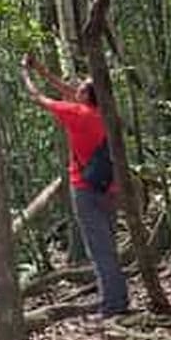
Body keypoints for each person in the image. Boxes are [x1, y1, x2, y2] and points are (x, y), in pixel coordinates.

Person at [21, 54, 129, 318]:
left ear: (86, 96)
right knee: (108, 246)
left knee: (99, 250)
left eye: (81, 87)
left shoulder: (76, 114)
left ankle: (113, 306)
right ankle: (119, 298)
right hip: (110, 188)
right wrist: (43, 70)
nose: (75, 88)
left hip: (86, 190)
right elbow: (68, 90)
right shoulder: (104, 112)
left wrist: (25, 73)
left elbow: (38, 98)